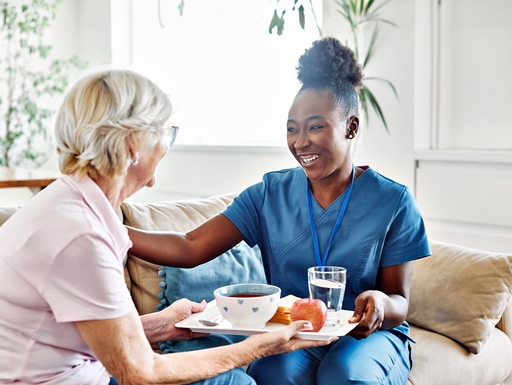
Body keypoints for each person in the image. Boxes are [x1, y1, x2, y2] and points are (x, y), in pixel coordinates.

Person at [0, 68, 336, 385]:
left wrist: (162, 324)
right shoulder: (81, 236)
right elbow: (140, 372)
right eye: (166, 132)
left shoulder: (68, 204)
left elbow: (85, 334)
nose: (167, 144)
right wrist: (262, 346)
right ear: (133, 144)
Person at [127, 37, 431, 385]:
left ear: (351, 127)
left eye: (316, 126)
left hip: (368, 337)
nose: (301, 142)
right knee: (273, 373)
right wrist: (112, 231)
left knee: (345, 376)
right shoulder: (269, 193)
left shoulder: (393, 201)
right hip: (297, 329)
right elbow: (190, 246)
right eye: (292, 129)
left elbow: (399, 302)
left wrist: (380, 302)